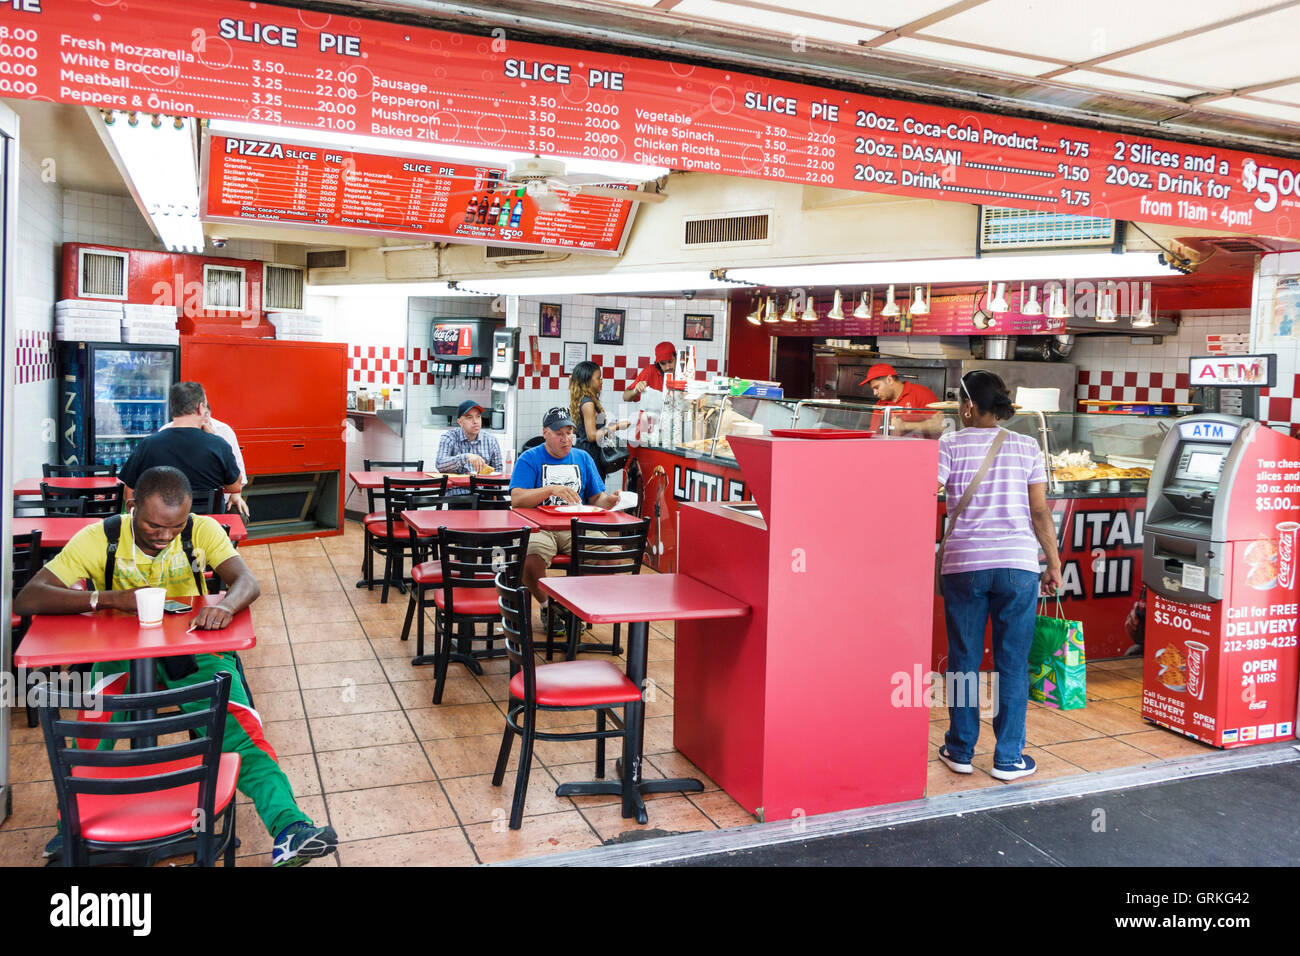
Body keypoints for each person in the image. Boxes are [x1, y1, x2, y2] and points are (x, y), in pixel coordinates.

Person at [13, 465, 338, 867]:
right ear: (133, 508)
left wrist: (225, 607)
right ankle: (73, 829)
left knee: (238, 730)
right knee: (91, 734)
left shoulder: (201, 530)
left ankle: (290, 828)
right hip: (118, 656)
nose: (165, 536)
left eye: (176, 527)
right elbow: (29, 597)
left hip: (190, 652)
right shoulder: (100, 538)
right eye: (154, 526)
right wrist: (110, 599)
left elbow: (246, 583)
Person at [936, 370, 1062, 783]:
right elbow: (1040, 511)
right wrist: (1053, 562)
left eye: (959, 401)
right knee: (1011, 663)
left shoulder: (950, 444)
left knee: (963, 661)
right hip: (1018, 567)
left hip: (965, 565)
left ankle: (960, 749)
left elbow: (923, 494)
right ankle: (1008, 758)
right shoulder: (1027, 446)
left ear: (969, 406)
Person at [509, 407, 620, 628]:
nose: (566, 439)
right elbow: (517, 498)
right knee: (528, 560)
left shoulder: (583, 458)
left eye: (569, 433)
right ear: (545, 433)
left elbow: (597, 497)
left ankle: (572, 606)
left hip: (576, 526)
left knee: (613, 554)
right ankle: (548, 605)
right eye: (559, 433)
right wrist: (549, 490)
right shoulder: (529, 458)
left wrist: (611, 501)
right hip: (539, 528)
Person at [120, 381, 241, 512]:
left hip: (162, 527)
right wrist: (213, 438)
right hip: (206, 528)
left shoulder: (148, 444)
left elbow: (129, 488)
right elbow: (235, 486)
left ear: (172, 409)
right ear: (200, 408)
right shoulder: (218, 445)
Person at [161, 398, 249, 517]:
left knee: (240, 515)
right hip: (175, 503)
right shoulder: (167, 433)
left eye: (206, 415)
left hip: (217, 502)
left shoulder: (224, 432)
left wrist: (236, 495)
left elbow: (238, 478)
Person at [570, 361, 629, 478]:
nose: (601, 381)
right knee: (594, 494)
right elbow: (592, 436)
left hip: (587, 454)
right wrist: (616, 427)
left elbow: (580, 429)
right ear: (588, 381)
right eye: (598, 378)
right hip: (590, 456)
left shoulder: (585, 400)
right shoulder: (588, 403)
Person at [436, 399, 503, 494]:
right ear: (459, 422)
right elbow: (440, 464)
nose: (475, 421)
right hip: (459, 494)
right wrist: (465, 457)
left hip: (485, 494)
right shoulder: (449, 437)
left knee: (507, 507)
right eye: (469, 417)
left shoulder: (491, 440)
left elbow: (498, 471)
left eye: (478, 417)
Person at [860, 363, 942, 435]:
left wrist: (904, 425)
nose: (875, 393)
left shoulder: (921, 393)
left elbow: (939, 426)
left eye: (877, 387)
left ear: (890, 380)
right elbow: (874, 434)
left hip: (921, 450)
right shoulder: (880, 404)